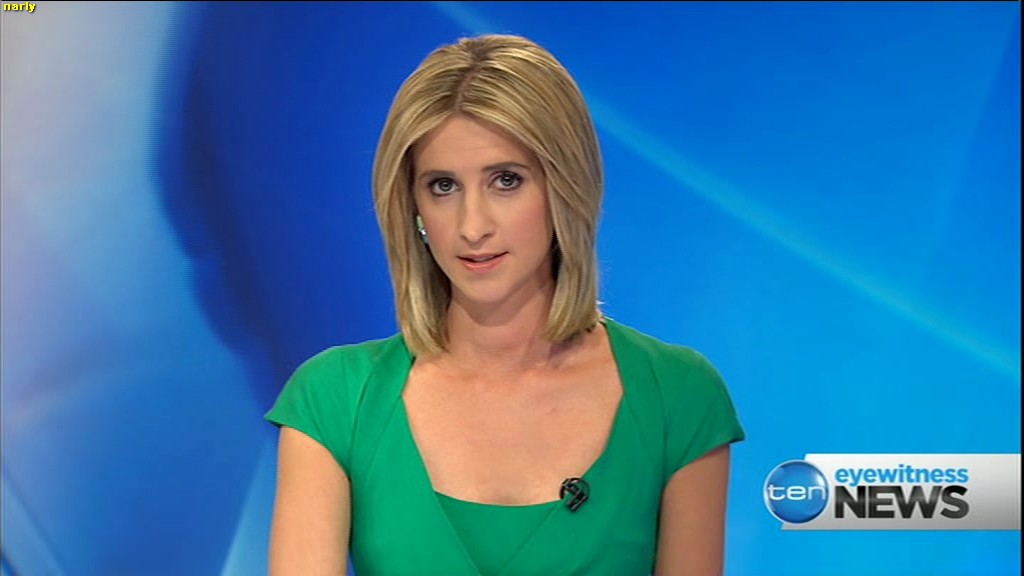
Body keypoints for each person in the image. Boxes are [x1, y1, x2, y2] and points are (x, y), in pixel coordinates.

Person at [265, 34, 745, 576]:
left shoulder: (676, 396)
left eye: (506, 180)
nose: (473, 227)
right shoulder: (336, 400)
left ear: (565, 188)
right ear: (413, 206)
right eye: (443, 186)